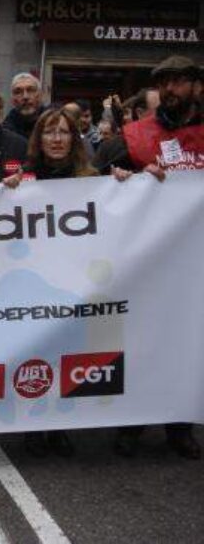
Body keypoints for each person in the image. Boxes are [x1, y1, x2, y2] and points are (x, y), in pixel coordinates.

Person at [98, 56, 202, 460]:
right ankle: (131, 424)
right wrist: (120, 177)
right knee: (140, 345)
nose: (172, 90)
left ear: (196, 86)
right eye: (165, 83)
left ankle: (180, 427)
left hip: (195, 268)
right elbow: (98, 183)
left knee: (189, 347)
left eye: (180, 81)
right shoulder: (136, 135)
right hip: (148, 265)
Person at [2, 107, 98, 458]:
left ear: (74, 138)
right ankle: (31, 424)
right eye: (49, 132)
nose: (56, 139)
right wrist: (4, 193)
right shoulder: (22, 180)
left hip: (74, 284)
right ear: (38, 139)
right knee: (35, 355)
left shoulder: (93, 178)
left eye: (63, 132)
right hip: (33, 287)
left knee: (67, 355)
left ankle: (60, 426)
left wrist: (124, 182)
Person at [2, 73, 45, 140]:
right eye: (18, 92)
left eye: (30, 90)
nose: (25, 97)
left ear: (40, 95)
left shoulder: (53, 122)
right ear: (12, 100)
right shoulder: (6, 132)